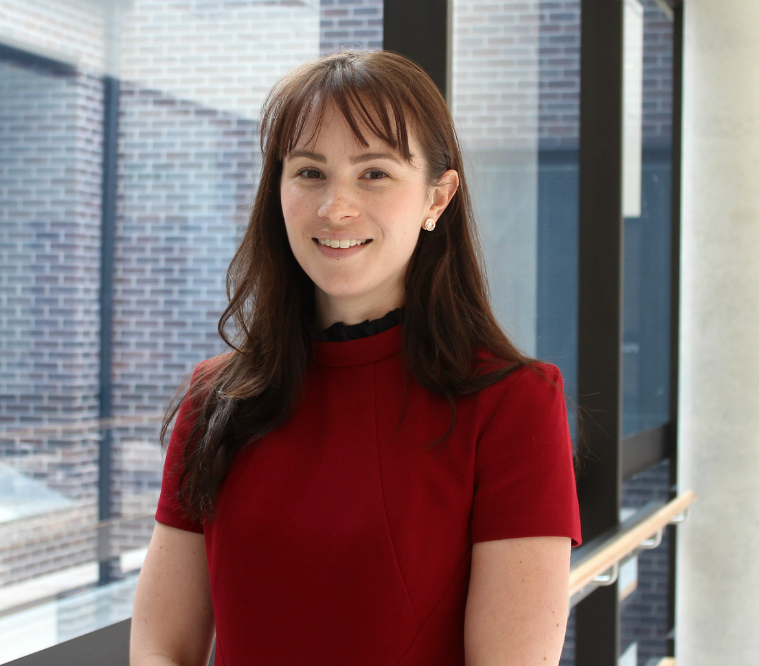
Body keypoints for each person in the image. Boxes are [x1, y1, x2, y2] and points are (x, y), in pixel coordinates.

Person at [128, 50, 582, 666]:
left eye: (374, 174)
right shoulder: (217, 399)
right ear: (278, 188)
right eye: (309, 172)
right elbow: (162, 647)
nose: (335, 208)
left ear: (437, 198)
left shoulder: (513, 404)